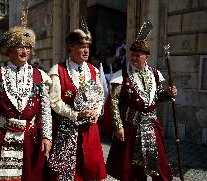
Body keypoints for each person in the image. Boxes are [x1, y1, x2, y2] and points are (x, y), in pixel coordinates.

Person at [0, 26, 52, 181]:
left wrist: (47, 136)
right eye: (20, 47)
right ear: (10, 49)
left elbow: (45, 110)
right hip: (2, 135)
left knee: (29, 176)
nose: (24, 51)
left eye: (27, 47)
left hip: (30, 137)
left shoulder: (41, 76)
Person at [106, 39, 177, 181]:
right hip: (130, 127)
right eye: (132, 54)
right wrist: (118, 126)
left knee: (160, 164)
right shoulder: (121, 76)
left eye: (138, 55)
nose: (134, 58)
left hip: (152, 126)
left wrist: (168, 94)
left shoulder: (155, 74)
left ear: (147, 57)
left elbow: (158, 96)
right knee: (132, 168)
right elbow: (114, 103)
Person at [48, 28, 107, 180]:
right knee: (67, 172)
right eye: (82, 46)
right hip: (66, 130)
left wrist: (96, 110)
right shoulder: (58, 70)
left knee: (90, 167)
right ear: (71, 46)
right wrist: (75, 114)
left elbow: (100, 97)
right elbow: (55, 102)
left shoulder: (94, 71)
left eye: (88, 46)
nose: (86, 50)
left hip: (90, 130)